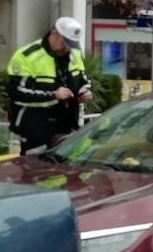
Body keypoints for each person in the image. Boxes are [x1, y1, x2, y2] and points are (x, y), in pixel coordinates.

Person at [6, 17, 93, 155]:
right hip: (35, 128)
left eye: (71, 43)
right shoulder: (27, 55)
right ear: (53, 33)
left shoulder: (74, 55)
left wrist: (85, 91)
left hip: (67, 126)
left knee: (65, 171)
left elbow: (83, 80)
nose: (67, 48)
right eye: (65, 42)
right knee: (36, 170)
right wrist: (54, 95)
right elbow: (16, 92)